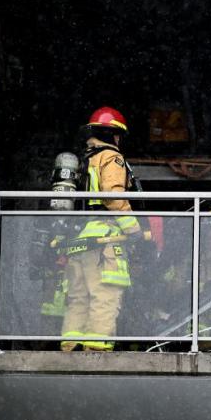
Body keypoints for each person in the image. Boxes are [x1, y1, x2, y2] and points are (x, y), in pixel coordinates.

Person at [60, 107, 142, 351]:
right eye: (117, 135)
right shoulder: (110, 158)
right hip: (104, 240)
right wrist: (135, 230)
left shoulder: (84, 160)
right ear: (111, 133)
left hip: (78, 239)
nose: (118, 141)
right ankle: (97, 353)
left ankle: (70, 349)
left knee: (78, 299)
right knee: (105, 298)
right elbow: (113, 197)